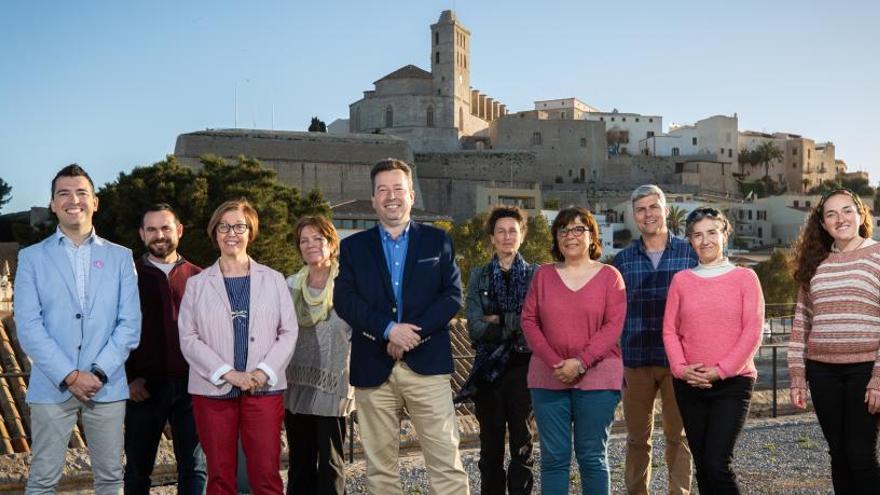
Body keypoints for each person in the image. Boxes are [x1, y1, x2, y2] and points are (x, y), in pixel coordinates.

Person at [334, 158, 469, 494]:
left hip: (427, 366)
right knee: (380, 471)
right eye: (382, 190)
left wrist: (410, 335)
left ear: (411, 195)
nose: (390, 196)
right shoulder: (352, 247)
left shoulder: (438, 241)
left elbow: (452, 296)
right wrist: (387, 330)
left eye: (398, 189)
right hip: (372, 367)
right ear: (373, 198)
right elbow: (345, 300)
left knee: (446, 464)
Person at [15, 164, 142, 494]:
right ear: (53, 203)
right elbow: (28, 326)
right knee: (43, 478)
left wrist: (98, 373)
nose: (74, 200)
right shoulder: (30, 258)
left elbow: (129, 324)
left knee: (112, 476)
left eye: (82, 192)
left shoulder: (121, 257)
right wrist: (71, 376)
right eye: (64, 193)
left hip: (107, 385)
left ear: (95, 202)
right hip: (52, 386)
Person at [178, 198, 298, 495]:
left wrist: (262, 372)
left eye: (239, 226)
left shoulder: (274, 280)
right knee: (219, 477)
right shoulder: (197, 284)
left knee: (266, 474)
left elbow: (289, 331)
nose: (232, 232)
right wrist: (229, 374)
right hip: (213, 391)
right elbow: (188, 338)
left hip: (264, 389)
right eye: (224, 226)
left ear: (251, 232)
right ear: (215, 232)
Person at [521, 206, 626, 495]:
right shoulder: (542, 275)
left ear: (592, 235)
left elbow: (613, 326)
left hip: (599, 378)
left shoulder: (610, 276)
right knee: (554, 458)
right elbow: (529, 321)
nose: (571, 235)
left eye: (579, 228)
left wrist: (580, 363)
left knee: (592, 457)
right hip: (547, 377)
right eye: (564, 230)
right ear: (556, 238)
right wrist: (557, 363)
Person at [662, 207, 763, 495]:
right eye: (697, 235)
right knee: (703, 467)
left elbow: (752, 332)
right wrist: (681, 369)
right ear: (690, 240)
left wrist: (720, 371)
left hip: (733, 383)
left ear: (724, 234)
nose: (704, 240)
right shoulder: (681, 280)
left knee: (718, 463)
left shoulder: (745, 278)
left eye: (711, 232)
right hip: (689, 383)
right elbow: (670, 330)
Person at [788, 188, 880, 494]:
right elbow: (802, 323)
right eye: (831, 214)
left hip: (865, 369)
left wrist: (879, 378)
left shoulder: (878, 255)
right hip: (822, 370)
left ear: (860, 214)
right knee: (838, 454)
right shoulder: (816, 263)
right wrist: (798, 377)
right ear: (823, 224)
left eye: (847, 210)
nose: (840, 219)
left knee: (860, 455)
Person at [612, 185, 696, 495]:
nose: (648, 214)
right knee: (636, 440)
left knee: (679, 437)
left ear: (665, 209)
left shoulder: (690, 253)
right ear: (634, 216)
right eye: (641, 209)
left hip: (680, 363)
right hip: (635, 360)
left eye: (653, 207)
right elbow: (613, 312)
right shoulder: (622, 261)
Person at [124, 204, 207, 494]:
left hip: (192, 387)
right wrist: (128, 378)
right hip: (143, 388)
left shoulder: (200, 277)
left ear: (179, 231)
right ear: (141, 234)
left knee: (194, 468)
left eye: (166, 228)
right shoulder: (126, 276)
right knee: (137, 470)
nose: (159, 235)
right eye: (152, 229)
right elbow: (113, 330)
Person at [455, 205, 536, 495]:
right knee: (489, 449)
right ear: (492, 237)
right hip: (487, 372)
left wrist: (500, 318)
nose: (506, 236)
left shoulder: (535, 275)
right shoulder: (479, 276)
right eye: (500, 231)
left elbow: (534, 324)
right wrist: (515, 321)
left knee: (522, 447)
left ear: (522, 236)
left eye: (512, 231)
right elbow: (475, 327)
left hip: (523, 369)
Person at [284, 215, 353, 495]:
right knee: (299, 464)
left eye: (317, 238)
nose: (310, 245)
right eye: (304, 240)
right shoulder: (289, 286)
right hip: (297, 384)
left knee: (330, 464)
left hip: (333, 385)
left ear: (331, 242)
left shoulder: (348, 285)